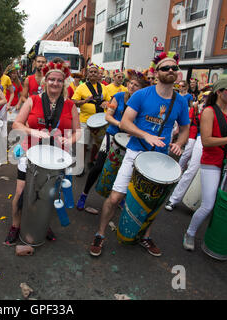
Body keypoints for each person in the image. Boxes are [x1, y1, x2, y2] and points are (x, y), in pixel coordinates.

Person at [89, 52, 190, 258]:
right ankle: (100, 234)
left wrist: (179, 143)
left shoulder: (180, 101)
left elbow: (186, 128)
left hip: (160, 159)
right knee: (116, 197)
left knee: (152, 202)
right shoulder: (142, 95)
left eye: (174, 68)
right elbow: (125, 123)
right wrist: (146, 135)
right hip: (135, 151)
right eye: (165, 68)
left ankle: (145, 235)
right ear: (156, 72)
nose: (170, 71)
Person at [3, 60, 81, 246]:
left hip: (57, 158)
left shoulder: (69, 105)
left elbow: (78, 131)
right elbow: (16, 124)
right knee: (22, 192)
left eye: (59, 80)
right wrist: (33, 131)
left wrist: (69, 140)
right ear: (45, 81)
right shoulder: (33, 100)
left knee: (49, 194)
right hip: (30, 153)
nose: (55, 83)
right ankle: (16, 225)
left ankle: (42, 224)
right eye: (51, 79)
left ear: (64, 83)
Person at [182, 77, 227, 251]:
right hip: (212, 162)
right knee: (208, 204)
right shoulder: (209, 111)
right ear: (220, 92)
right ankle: (190, 233)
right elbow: (206, 141)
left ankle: (212, 237)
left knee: (223, 205)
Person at [76, 70, 150, 211]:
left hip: (129, 140)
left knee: (124, 171)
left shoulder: (142, 103)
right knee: (98, 166)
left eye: (137, 85)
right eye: (131, 83)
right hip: (111, 136)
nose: (133, 86)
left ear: (141, 89)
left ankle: (119, 198)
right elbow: (108, 117)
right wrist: (121, 125)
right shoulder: (118, 97)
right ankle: (84, 195)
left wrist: (133, 130)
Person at [165, 90, 211, 211]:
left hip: (218, 145)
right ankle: (173, 198)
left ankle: (203, 206)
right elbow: (188, 124)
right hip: (198, 137)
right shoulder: (200, 108)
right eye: (205, 96)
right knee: (191, 166)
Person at [72, 63, 108, 172]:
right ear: (87, 74)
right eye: (91, 72)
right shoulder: (81, 87)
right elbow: (73, 101)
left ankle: (91, 162)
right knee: (83, 144)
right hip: (85, 121)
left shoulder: (103, 88)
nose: (93, 73)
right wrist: (85, 101)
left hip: (101, 122)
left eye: (95, 72)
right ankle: (80, 166)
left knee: (96, 145)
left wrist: (106, 103)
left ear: (99, 75)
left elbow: (109, 100)